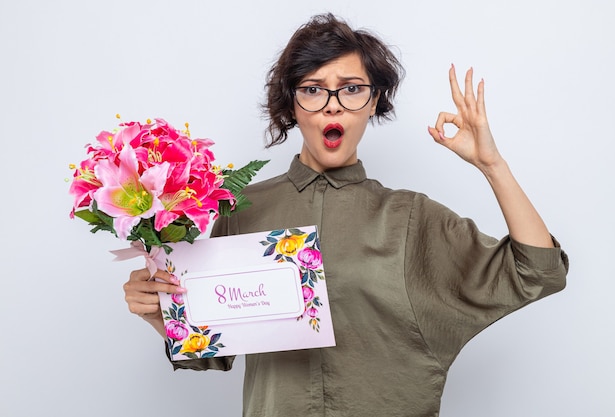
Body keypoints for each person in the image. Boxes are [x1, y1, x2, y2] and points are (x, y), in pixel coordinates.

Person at [123, 13, 568, 417]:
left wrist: (493, 165)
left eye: (352, 89)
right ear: (293, 104)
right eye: (313, 90)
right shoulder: (242, 210)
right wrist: (158, 311)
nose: (333, 104)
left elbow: (537, 271)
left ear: (374, 102)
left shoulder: (412, 216)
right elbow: (209, 351)